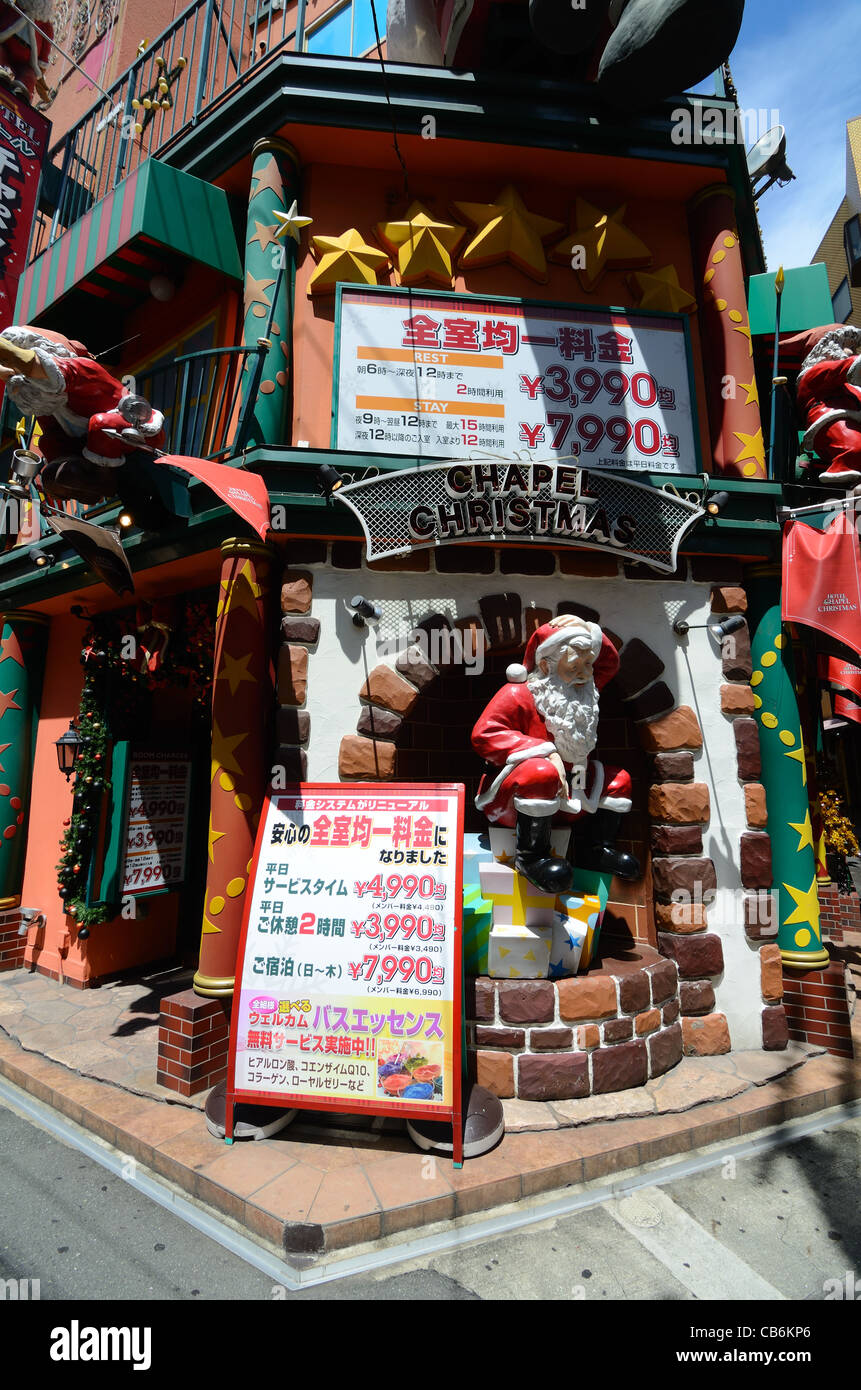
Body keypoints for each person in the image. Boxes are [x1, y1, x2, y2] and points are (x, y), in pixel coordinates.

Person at [472, 614, 638, 893]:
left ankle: (596, 849)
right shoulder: (518, 693)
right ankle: (531, 857)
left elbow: (609, 662)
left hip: (574, 787)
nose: (586, 674)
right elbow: (484, 734)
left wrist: (589, 629)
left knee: (618, 780)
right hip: (516, 799)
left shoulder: (584, 688)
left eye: (588, 664)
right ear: (546, 665)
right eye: (575, 665)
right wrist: (546, 752)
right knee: (541, 772)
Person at [0, 325, 164, 502]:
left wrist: (13, 356)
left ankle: (104, 478)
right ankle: (85, 484)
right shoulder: (45, 400)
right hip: (89, 446)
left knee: (101, 424)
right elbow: (54, 433)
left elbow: (50, 370)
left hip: (136, 432)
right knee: (48, 444)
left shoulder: (82, 368)